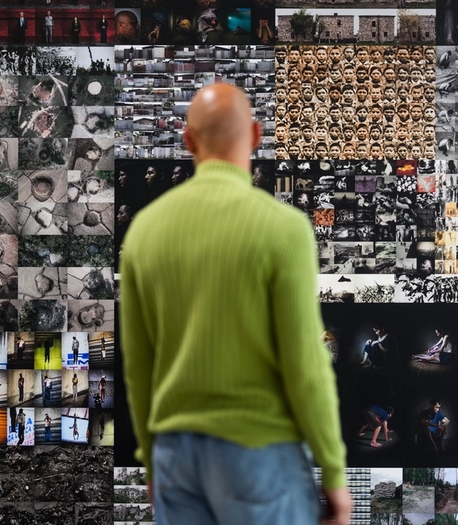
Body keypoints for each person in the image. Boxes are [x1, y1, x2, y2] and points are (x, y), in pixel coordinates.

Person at [121, 83, 349, 525]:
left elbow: (138, 364)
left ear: (187, 141)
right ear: (256, 135)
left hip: (174, 457)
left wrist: (151, 459)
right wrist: (334, 472)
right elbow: (305, 362)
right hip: (259, 454)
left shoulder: (143, 232)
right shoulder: (284, 229)